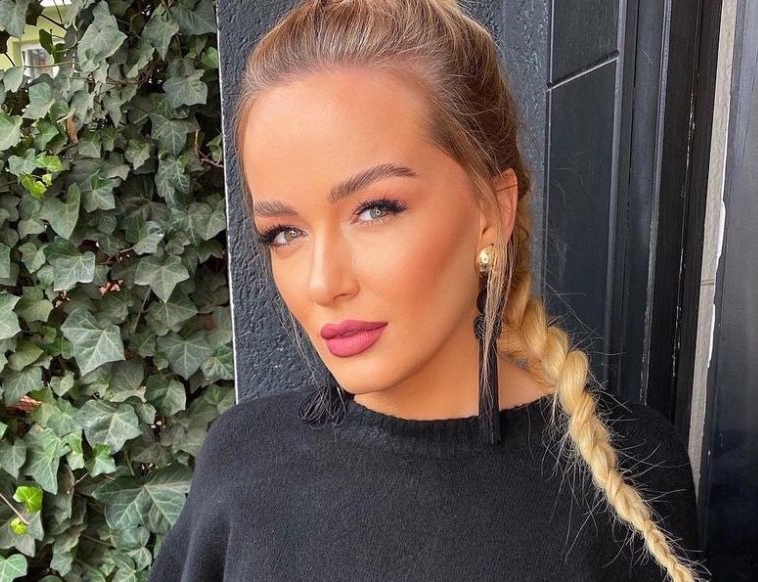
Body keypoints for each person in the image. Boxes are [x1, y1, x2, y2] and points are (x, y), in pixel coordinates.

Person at [150, 0, 710, 580]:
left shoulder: (628, 468)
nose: (323, 283)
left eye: (375, 210)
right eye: (284, 232)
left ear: (492, 211)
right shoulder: (241, 463)